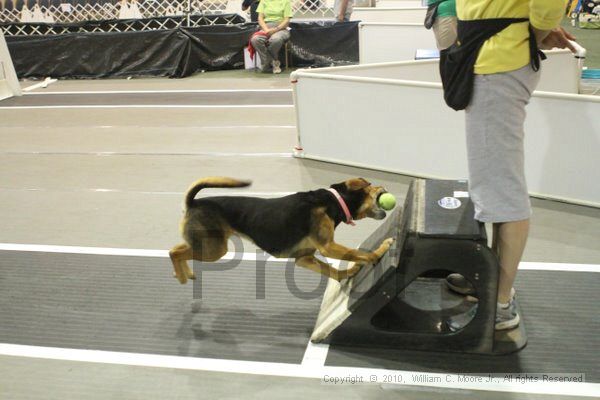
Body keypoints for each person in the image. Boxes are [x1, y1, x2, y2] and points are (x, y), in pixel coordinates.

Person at [444, 0, 576, 330]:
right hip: (492, 54)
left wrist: (532, 30)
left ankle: (499, 301)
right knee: (492, 182)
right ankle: (488, 279)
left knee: (502, 188)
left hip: (500, 61)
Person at [249, 0, 292, 74]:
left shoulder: (286, 1)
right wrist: (266, 30)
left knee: (276, 39)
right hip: (266, 27)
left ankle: (266, 63)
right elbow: (260, 18)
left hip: (281, 28)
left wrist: (275, 29)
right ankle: (274, 61)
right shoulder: (263, 1)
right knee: (255, 39)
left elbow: (287, 20)